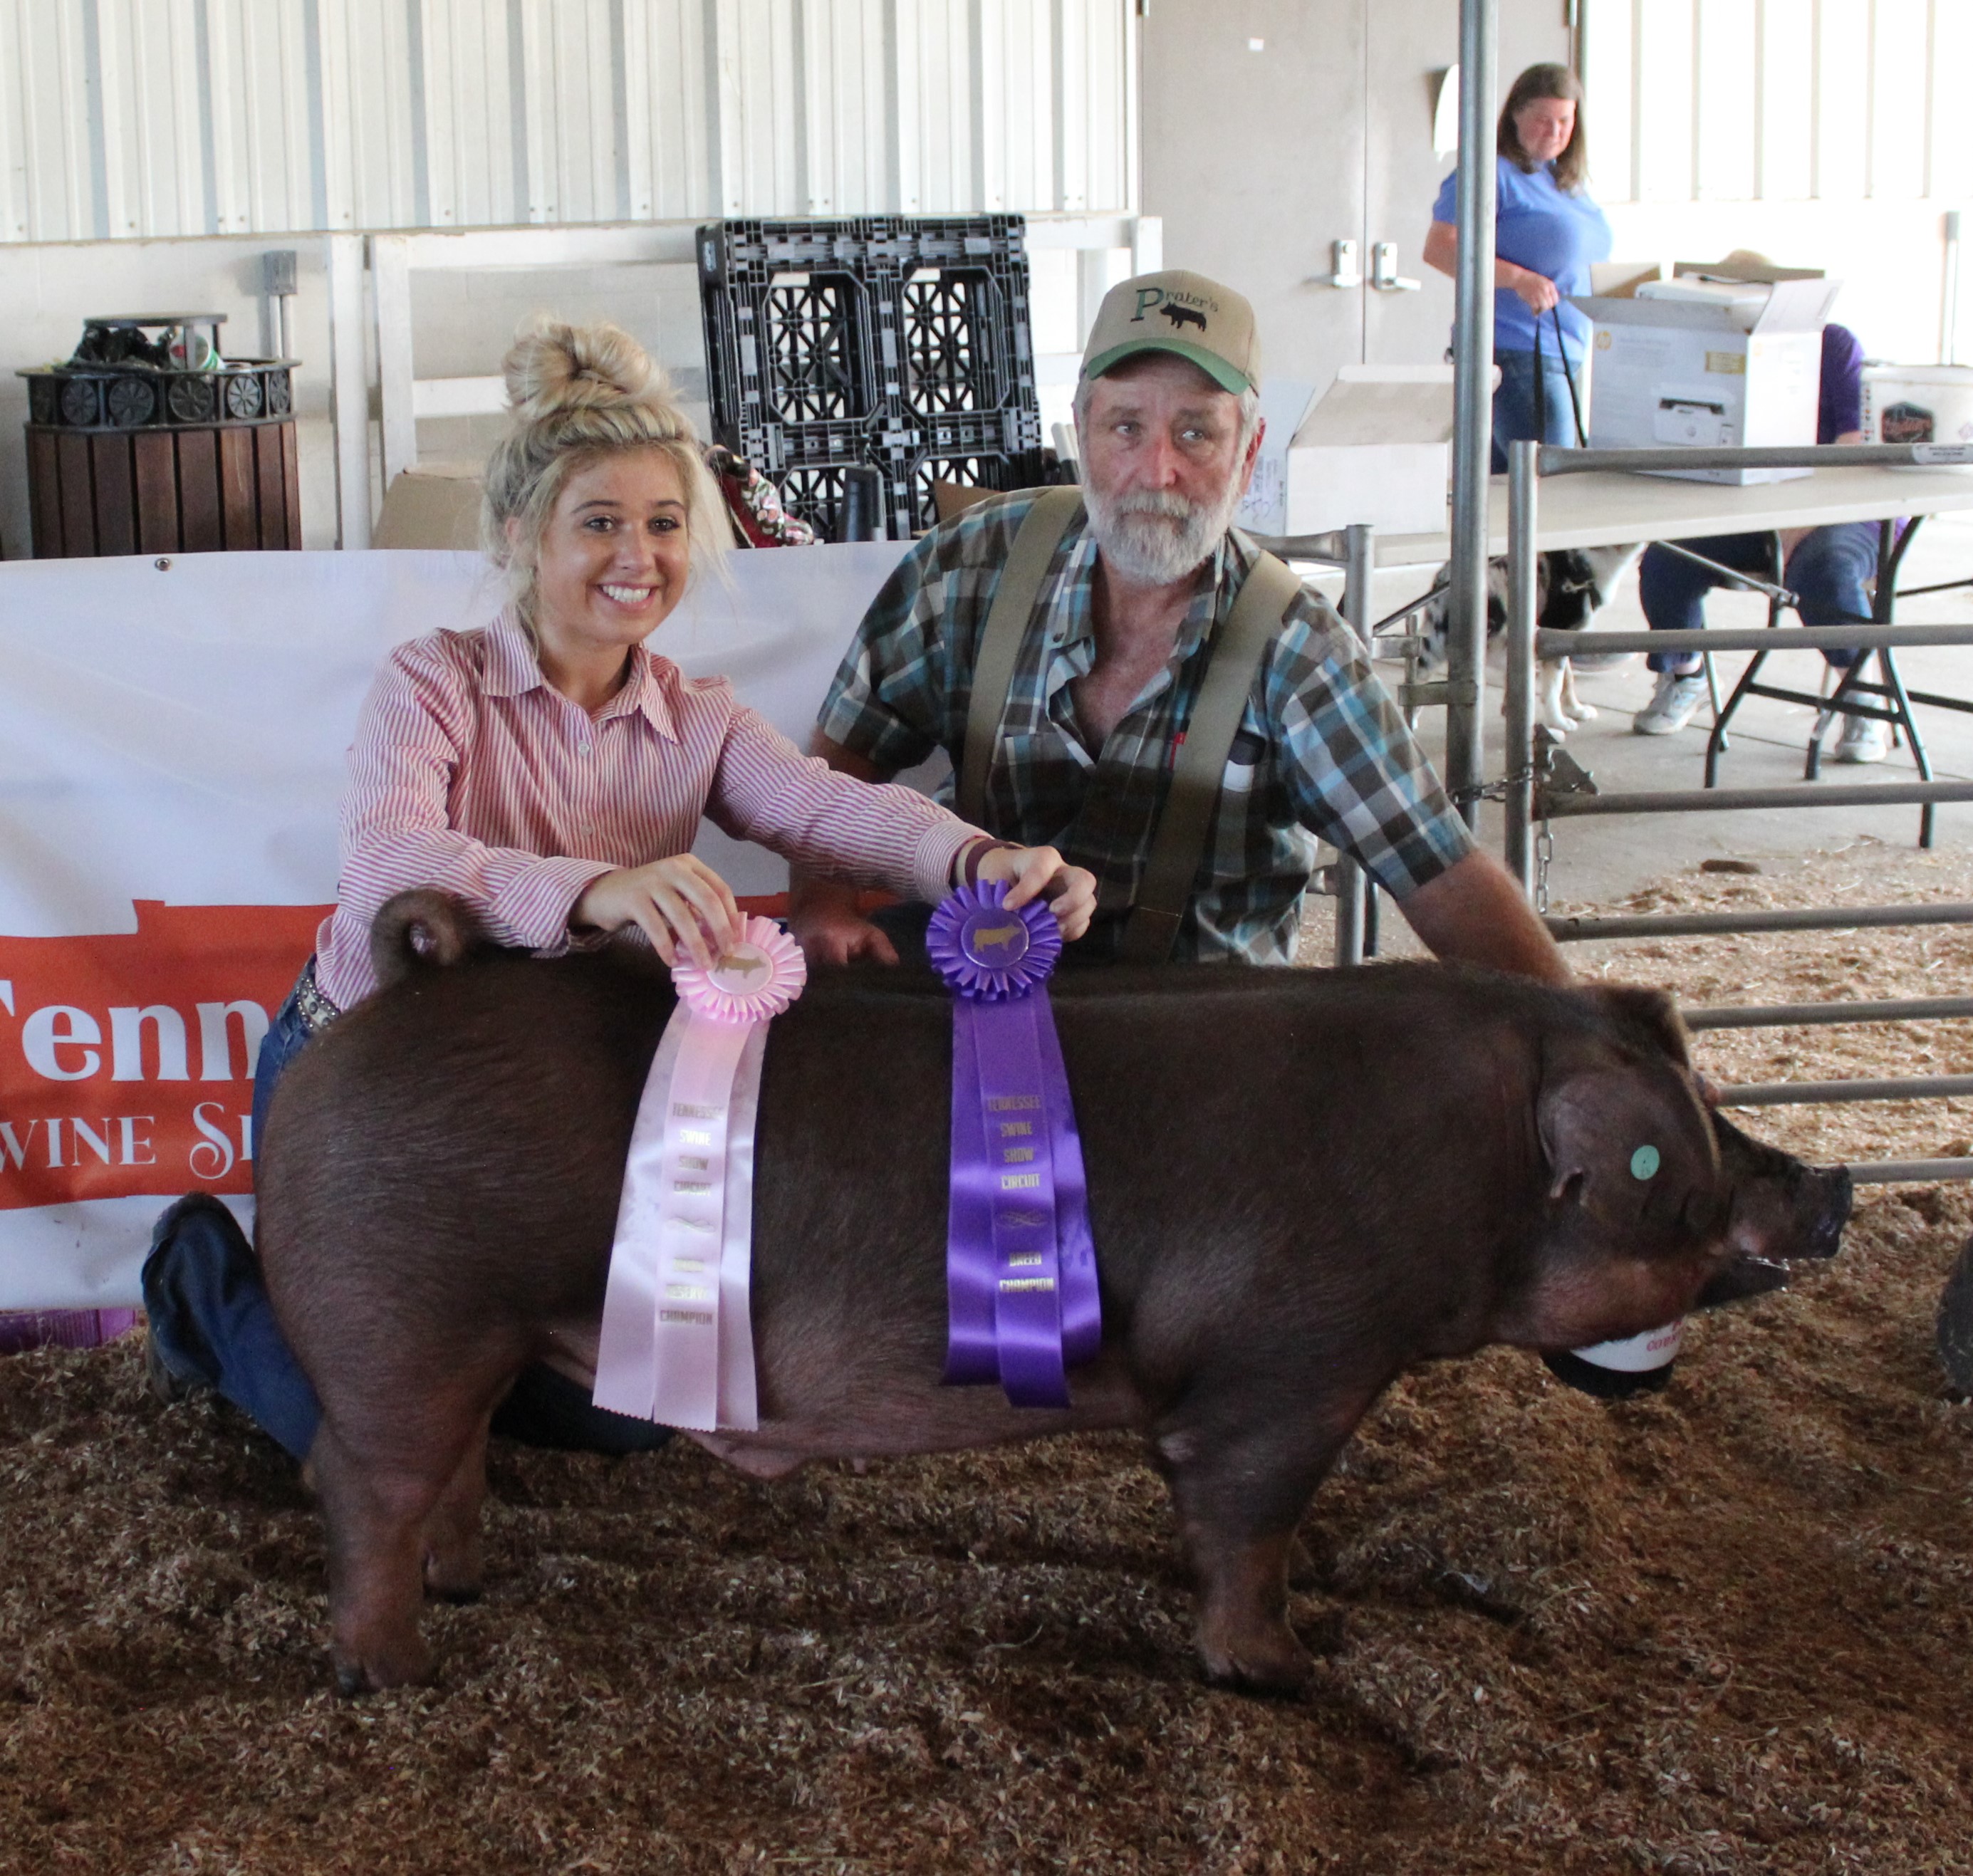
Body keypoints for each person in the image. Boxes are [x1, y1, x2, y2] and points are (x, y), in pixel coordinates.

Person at [141, 318, 1097, 1461]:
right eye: (599, 521)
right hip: (371, 1074)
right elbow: (389, 869)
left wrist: (977, 861)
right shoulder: (430, 681)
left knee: (626, 1413)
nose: (636, 554)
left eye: (663, 523)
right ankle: (199, 1270)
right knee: (361, 1435)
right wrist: (597, 890)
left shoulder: (702, 716)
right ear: (519, 535)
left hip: (548, 1103)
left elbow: (822, 807)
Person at [788, 269, 1568, 984]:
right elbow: (844, 754)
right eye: (1126, 427)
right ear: (1080, 432)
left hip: (1199, 1044)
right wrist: (820, 906)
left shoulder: (1295, 649)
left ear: (1249, 450)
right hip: (982, 989)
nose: (1157, 470)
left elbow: (1436, 870)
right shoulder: (969, 566)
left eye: (1196, 432)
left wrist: (1587, 1041)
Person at [1631, 313, 1887, 759]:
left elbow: (1855, 443)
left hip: (1847, 505)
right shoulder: (1721, 352)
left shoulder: (1834, 345)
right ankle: (1685, 674)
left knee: (1824, 569)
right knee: (1668, 556)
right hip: (1759, 504)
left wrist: (1802, 516)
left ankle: (1862, 695)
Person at [1423, 62, 1613, 474]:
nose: (1555, 132)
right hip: (1517, 348)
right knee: (1548, 484)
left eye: (1564, 121)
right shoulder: (1491, 174)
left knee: (1507, 487)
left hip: (1567, 349)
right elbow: (1441, 248)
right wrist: (1519, 279)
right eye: (1543, 121)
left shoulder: (1567, 183)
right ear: (1515, 116)